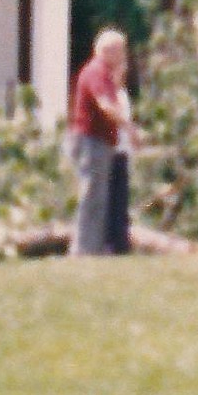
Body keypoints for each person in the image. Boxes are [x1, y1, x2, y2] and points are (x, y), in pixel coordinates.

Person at [69, 27, 136, 256]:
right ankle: (82, 249)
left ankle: (93, 248)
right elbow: (106, 105)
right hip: (91, 140)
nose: (123, 56)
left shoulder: (105, 74)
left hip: (100, 141)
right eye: (121, 50)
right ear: (109, 51)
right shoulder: (95, 72)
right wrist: (129, 127)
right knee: (91, 195)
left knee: (99, 196)